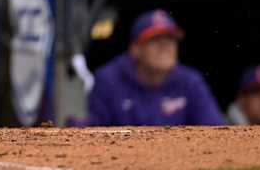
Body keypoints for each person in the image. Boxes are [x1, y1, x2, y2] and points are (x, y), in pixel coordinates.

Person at [81, 9, 224, 126]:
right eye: (155, 40)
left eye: (170, 39)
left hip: (176, 159)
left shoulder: (190, 82)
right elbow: (92, 135)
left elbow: (216, 133)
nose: (165, 47)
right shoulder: (108, 80)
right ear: (135, 48)